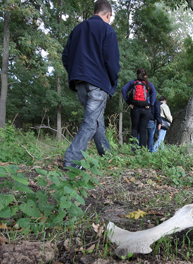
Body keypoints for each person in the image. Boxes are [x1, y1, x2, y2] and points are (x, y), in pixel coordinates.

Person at [62, 0, 120, 169]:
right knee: (90, 122)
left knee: (95, 120)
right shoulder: (107, 29)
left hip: (79, 82)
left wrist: (75, 73)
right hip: (98, 83)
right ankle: (72, 160)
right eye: (110, 17)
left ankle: (107, 154)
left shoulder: (77, 29)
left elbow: (66, 57)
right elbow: (112, 61)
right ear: (108, 14)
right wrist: (112, 81)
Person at [121, 68, 157, 149]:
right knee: (143, 130)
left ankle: (133, 149)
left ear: (137, 74)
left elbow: (123, 89)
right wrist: (150, 104)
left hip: (135, 108)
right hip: (146, 109)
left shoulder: (133, 82)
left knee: (134, 128)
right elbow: (154, 93)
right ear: (145, 76)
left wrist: (129, 102)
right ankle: (142, 150)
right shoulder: (148, 84)